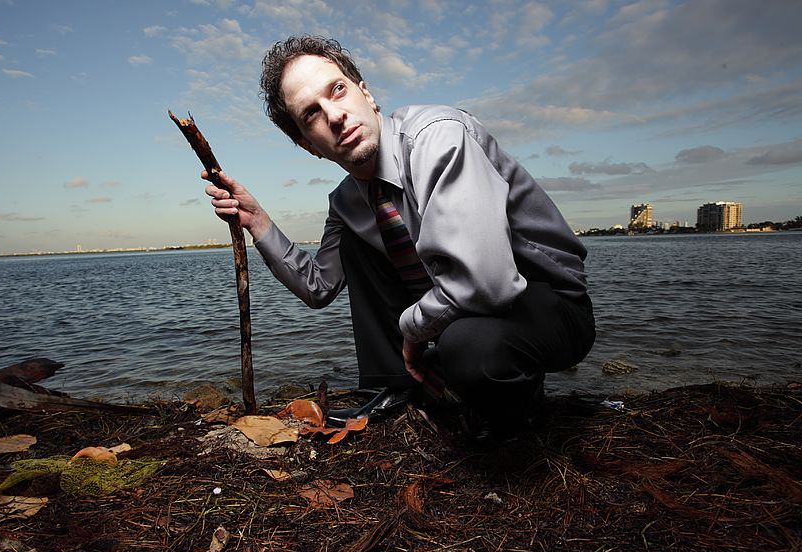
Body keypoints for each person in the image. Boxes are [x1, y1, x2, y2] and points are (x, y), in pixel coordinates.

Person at [205, 35, 595, 443]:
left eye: (337, 90)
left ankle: (514, 408)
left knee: (471, 348)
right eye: (312, 115)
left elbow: (487, 282)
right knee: (360, 240)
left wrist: (411, 329)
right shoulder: (346, 201)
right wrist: (258, 221)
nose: (335, 116)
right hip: (463, 308)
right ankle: (398, 389)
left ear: (366, 94)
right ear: (308, 146)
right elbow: (318, 288)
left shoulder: (438, 137)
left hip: (547, 303)